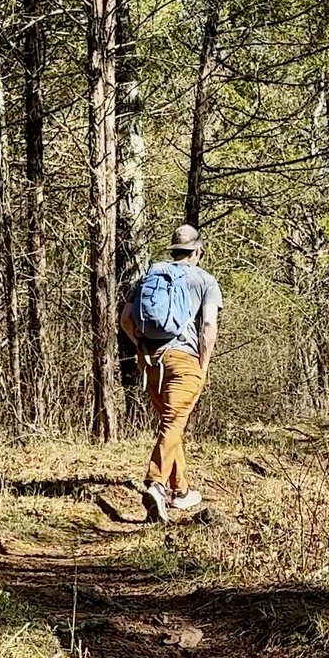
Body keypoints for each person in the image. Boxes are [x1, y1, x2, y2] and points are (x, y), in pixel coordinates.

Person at [119, 223, 222, 522]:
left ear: (174, 250)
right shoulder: (205, 280)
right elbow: (208, 326)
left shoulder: (150, 276)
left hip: (152, 360)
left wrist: (140, 345)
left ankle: (181, 489)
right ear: (198, 251)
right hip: (185, 360)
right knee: (173, 423)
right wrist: (203, 363)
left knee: (170, 425)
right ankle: (156, 484)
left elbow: (126, 318)